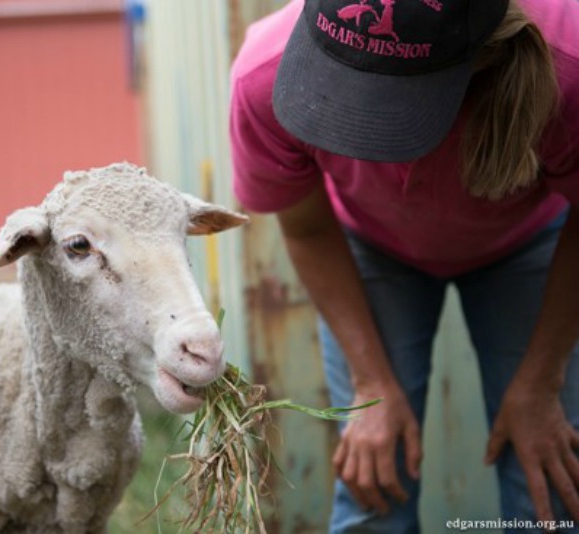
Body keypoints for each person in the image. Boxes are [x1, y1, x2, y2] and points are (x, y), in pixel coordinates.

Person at [229, 0, 579, 532]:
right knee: (375, 474)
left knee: (548, 484)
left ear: (482, 59)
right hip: (370, 246)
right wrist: (370, 382)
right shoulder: (264, 75)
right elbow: (306, 226)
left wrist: (540, 382)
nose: (363, 128)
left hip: (532, 244)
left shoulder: (568, 63)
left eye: (389, 105)